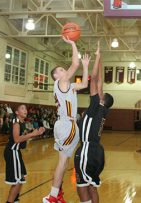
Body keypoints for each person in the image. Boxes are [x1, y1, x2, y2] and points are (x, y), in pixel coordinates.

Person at [43, 36, 90, 203]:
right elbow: (74, 64)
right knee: (62, 163)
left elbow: (84, 84)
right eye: (62, 69)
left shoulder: (67, 86)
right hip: (66, 125)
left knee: (63, 163)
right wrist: (72, 43)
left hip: (68, 125)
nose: (65, 71)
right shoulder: (61, 82)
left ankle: (57, 195)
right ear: (56, 75)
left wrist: (85, 67)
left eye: (64, 69)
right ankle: (53, 197)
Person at [74, 41, 114, 203]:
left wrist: (96, 59)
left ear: (102, 99)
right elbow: (100, 83)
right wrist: (100, 56)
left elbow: (94, 80)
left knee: (81, 186)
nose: (99, 92)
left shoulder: (95, 107)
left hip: (87, 150)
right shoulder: (103, 110)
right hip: (97, 152)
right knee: (92, 186)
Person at [4, 104, 45, 203]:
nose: (25, 110)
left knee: (21, 179)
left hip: (16, 153)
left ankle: (15, 200)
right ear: (17, 112)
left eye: (25, 108)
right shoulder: (16, 122)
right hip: (12, 152)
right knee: (18, 181)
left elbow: (23, 138)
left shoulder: (22, 122)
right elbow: (17, 139)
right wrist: (32, 134)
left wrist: (36, 133)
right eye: (22, 108)